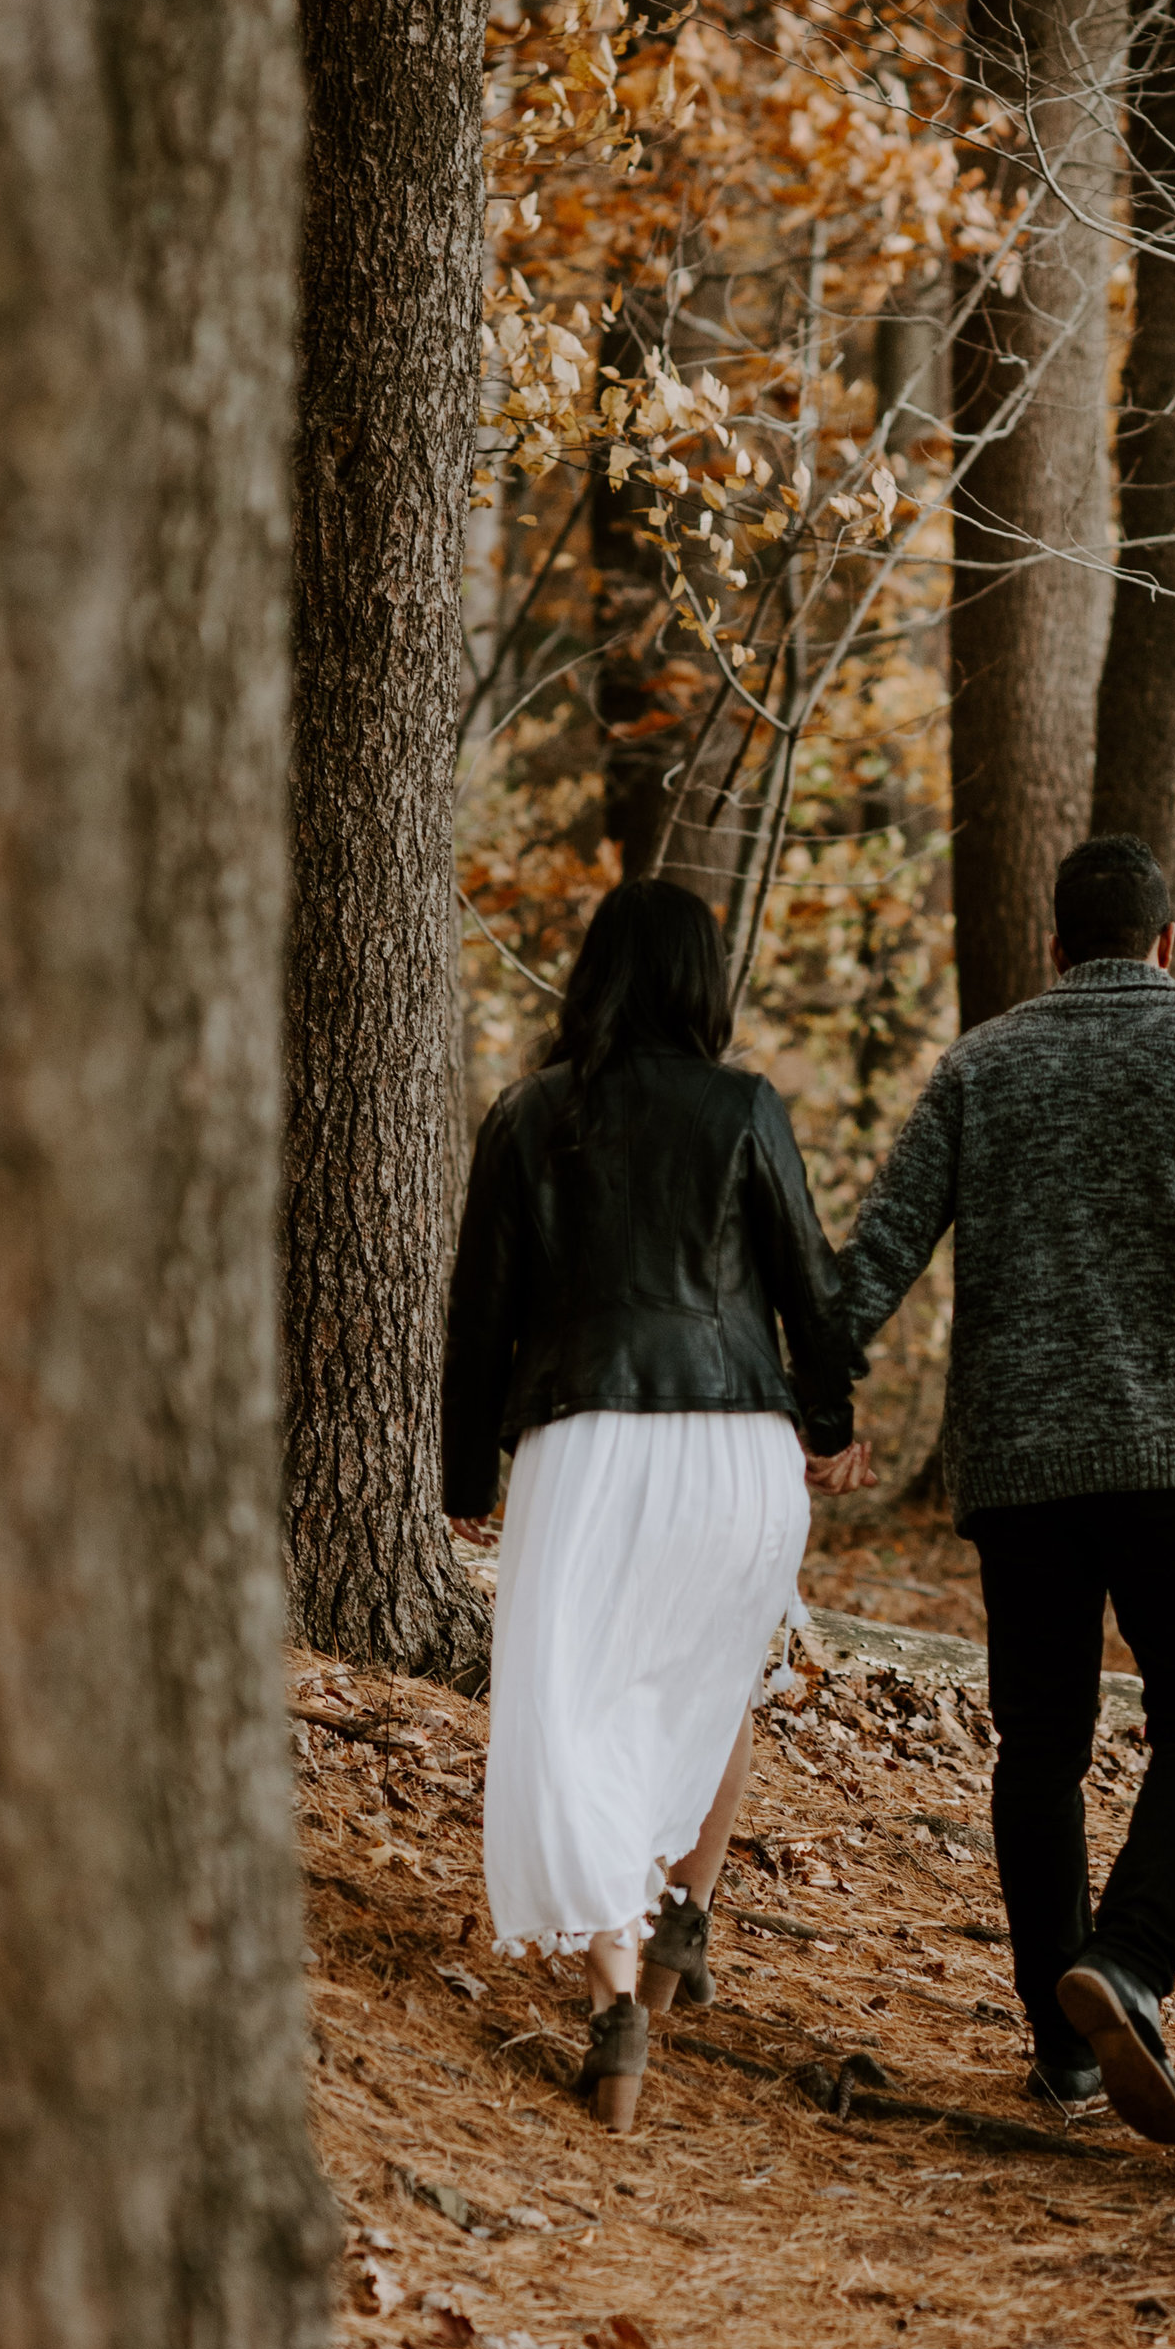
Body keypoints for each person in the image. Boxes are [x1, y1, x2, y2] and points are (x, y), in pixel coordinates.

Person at [840, 834, 1175, 2141]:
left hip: (1024, 1465)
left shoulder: (983, 1063)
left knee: (1040, 1743)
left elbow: (877, 1250)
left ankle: (1061, 2051)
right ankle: (1130, 1960)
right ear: (1168, 943)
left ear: (1054, 944)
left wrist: (812, 1378)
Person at [442, 877, 871, 2130]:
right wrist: (830, 1421)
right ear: (704, 980)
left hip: (584, 1440)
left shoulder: (527, 1118)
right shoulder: (743, 1105)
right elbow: (812, 1280)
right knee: (711, 1673)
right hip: (736, 1442)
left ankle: (618, 1996)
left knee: (576, 1704)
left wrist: (465, 1476)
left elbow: (481, 1317)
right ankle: (687, 1909)